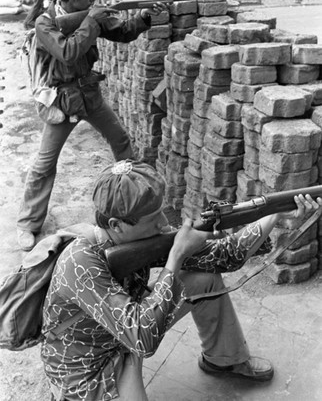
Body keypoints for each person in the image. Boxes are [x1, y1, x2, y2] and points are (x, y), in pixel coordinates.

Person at [40, 159, 322, 401]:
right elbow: (142, 338)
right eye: (153, 218)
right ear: (116, 225)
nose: (163, 221)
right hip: (89, 368)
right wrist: (175, 257)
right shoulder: (79, 261)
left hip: (125, 334)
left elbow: (226, 254)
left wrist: (272, 214)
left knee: (204, 278)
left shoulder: (139, 236)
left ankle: (223, 360)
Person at [17, 0, 166, 251]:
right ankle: (28, 223)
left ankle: (133, 205)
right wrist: (92, 21)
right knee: (45, 163)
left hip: (90, 93)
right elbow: (68, 52)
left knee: (121, 141)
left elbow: (123, 33)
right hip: (62, 100)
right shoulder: (45, 22)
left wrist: (145, 17)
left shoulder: (89, 16)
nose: (91, 1)